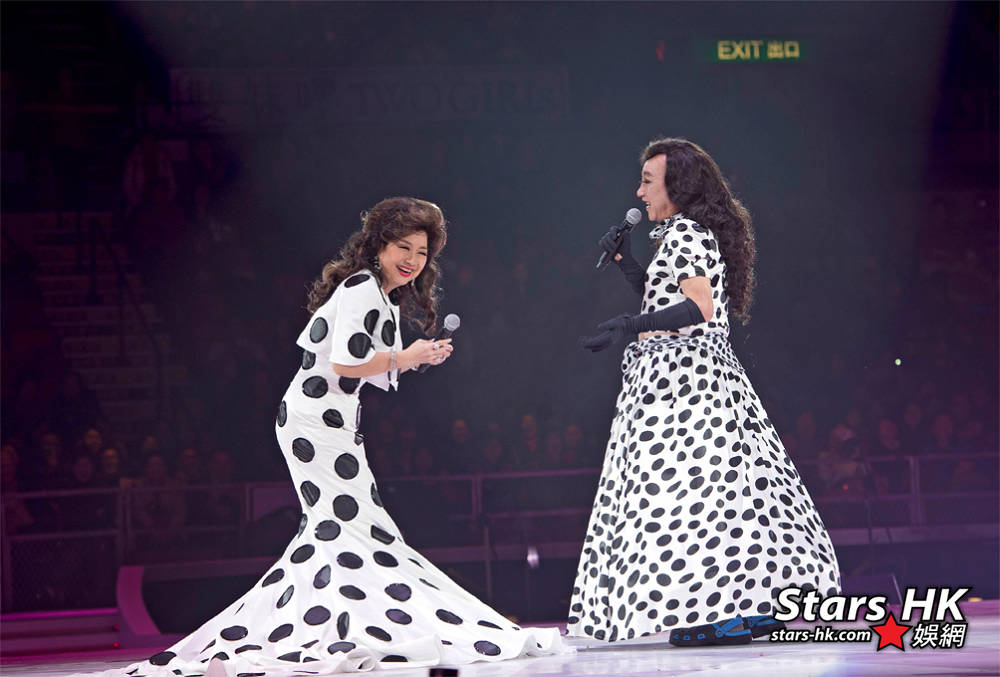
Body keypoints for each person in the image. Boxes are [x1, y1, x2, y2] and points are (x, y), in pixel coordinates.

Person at [95, 197, 564, 676]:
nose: (413, 260)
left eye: (422, 252)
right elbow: (344, 363)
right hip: (314, 422)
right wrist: (407, 356)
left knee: (339, 530)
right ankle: (331, 630)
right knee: (352, 527)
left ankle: (329, 628)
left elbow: (366, 369)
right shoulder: (362, 288)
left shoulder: (378, 294)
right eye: (404, 247)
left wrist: (415, 357)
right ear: (379, 246)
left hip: (329, 422)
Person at [568, 139, 841, 647]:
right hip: (697, 376)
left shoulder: (684, 233)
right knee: (721, 495)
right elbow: (666, 296)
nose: (639, 192)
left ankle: (717, 613)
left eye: (647, 181)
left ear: (678, 185)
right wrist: (627, 263)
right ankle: (750, 605)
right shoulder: (686, 234)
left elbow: (698, 308)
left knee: (690, 498)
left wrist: (629, 324)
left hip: (683, 383)